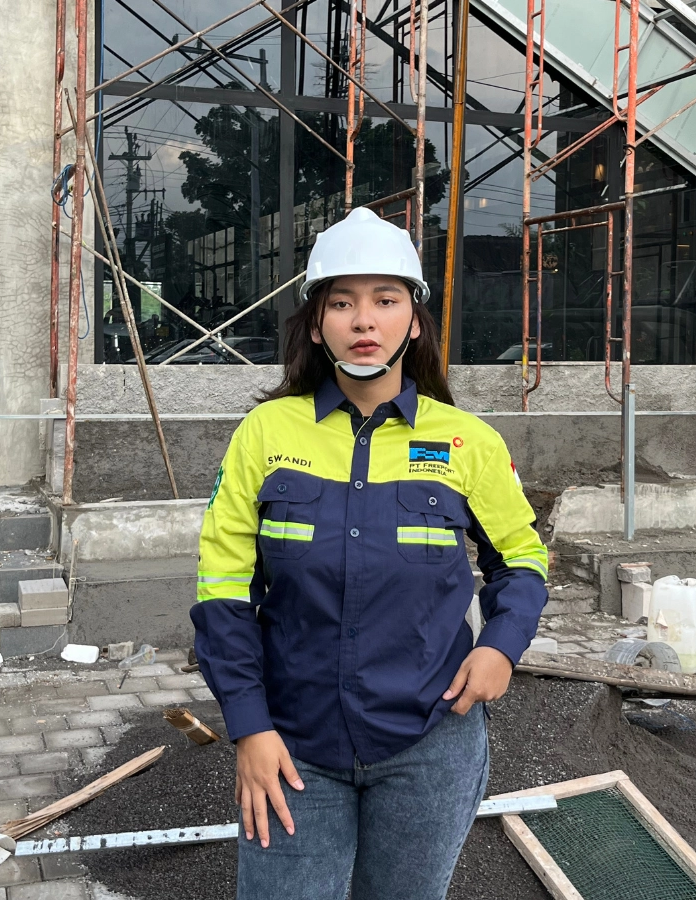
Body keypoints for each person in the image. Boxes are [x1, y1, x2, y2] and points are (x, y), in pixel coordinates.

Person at [191, 208, 549, 900]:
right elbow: (223, 590)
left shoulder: (466, 442)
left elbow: (522, 559)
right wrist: (248, 727)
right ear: (315, 323)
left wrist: (501, 648)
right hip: (292, 745)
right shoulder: (265, 434)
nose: (364, 321)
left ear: (414, 322)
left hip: (430, 744)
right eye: (342, 303)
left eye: (386, 300)